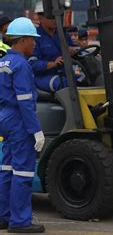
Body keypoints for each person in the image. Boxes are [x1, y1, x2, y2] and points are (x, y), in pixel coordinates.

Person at [0, 17, 45, 233]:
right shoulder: (21, 65)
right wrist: (36, 130)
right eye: (32, 40)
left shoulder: (2, 62)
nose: (35, 43)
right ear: (23, 40)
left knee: (6, 168)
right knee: (24, 172)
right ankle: (20, 222)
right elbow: (26, 102)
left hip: (5, 118)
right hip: (19, 120)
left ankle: (4, 216)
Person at [28, 1, 77, 92]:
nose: (55, 19)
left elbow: (74, 47)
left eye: (57, 16)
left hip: (64, 73)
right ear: (40, 17)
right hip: (42, 76)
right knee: (63, 84)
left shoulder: (62, 34)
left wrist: (73, 50)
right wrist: (53, 63)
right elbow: (32, 64)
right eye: (51, 17)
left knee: (84, 79)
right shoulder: (35, 38)